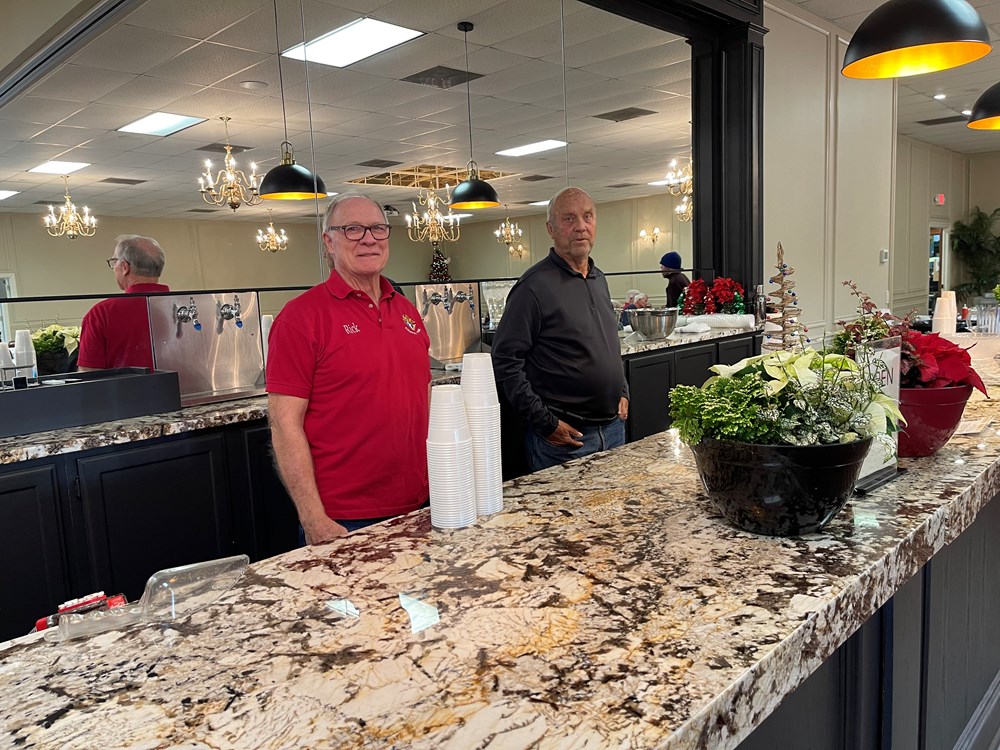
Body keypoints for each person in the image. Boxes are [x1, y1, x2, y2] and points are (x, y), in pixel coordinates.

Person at [266, 193, 430, 545]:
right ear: (329, 241)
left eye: (378, 228)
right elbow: (284, 424)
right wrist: (313, 518)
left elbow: (422, 399)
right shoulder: (300, 318)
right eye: (353, 229)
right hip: (345, 519)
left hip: (420, 504)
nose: (369, 239)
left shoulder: (407, 311)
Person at [492, 186, 629, 473]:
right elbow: (505, 361)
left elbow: (609, 344)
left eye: (587, 217)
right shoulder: (533, 287)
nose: (581, 226)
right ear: (550, 228)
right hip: (565, 441)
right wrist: (546, 423)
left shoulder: (598, 278)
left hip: (614, 429)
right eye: (568, 218)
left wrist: (623, 391)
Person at [77, 234, 169, 371]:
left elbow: (89, 374)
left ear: (125, 267)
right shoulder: (187, 306)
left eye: (114, 261)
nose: (114, 267)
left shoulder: (101, 313)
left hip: (128, 386)